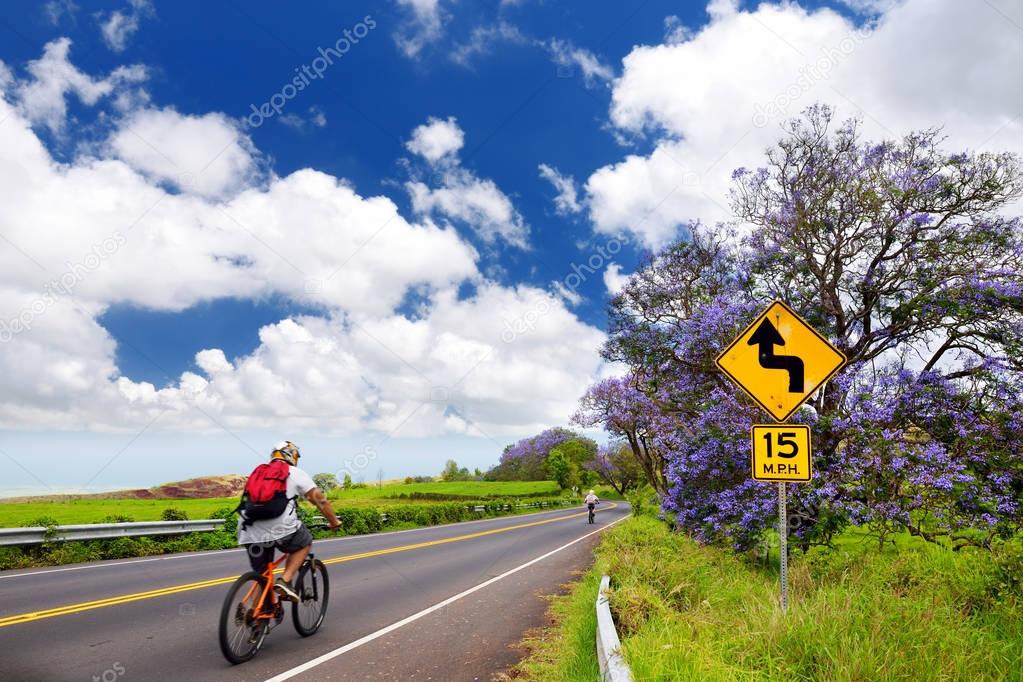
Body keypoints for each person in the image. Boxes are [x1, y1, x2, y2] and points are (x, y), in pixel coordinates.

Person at [237, 441, 341, 602]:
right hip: (280, 528)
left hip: (248, 530)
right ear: (292, 455)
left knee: (263, 575)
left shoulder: (258, 473)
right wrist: (334, 521)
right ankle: (285, 580)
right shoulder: (295, 472)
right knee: (304, 541)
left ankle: (254, 618)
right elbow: (320, 501)